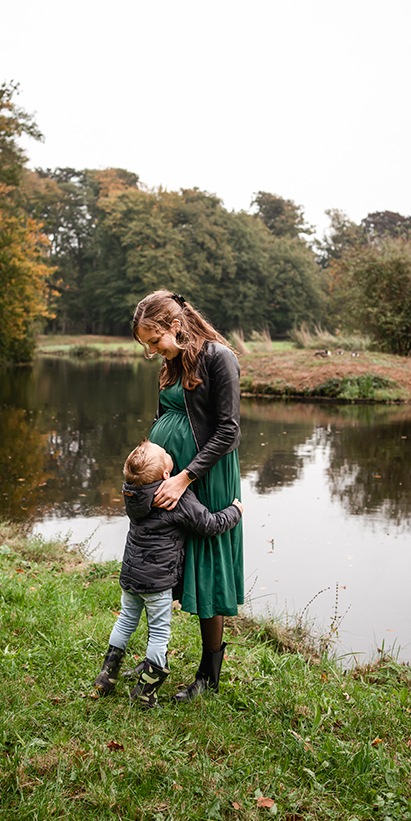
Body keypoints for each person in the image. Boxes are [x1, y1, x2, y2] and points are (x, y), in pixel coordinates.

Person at [132, 289, 243, 702]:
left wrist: (185, 477)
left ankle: (209, 675)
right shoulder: (172, 360)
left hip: (205, 476)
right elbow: (165, 414)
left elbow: (228, 431)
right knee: (162, 563)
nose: (151, 351)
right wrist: (149, 457)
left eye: (154, 341)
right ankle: (155, 657)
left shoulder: (219, 358)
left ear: (175, 326)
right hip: (170, 471)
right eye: (146, 345)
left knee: (206, 568)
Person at [93, 439, 243, 708]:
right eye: (164, 453)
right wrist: (235, 511)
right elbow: (209, 524)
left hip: (131, 575)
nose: (167, 450)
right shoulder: (176, 497)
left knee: (125, 621)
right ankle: (146, 692)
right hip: (157, 582)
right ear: (165, 474)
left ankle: (107, 675)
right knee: (159, 634)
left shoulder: (132, 493)